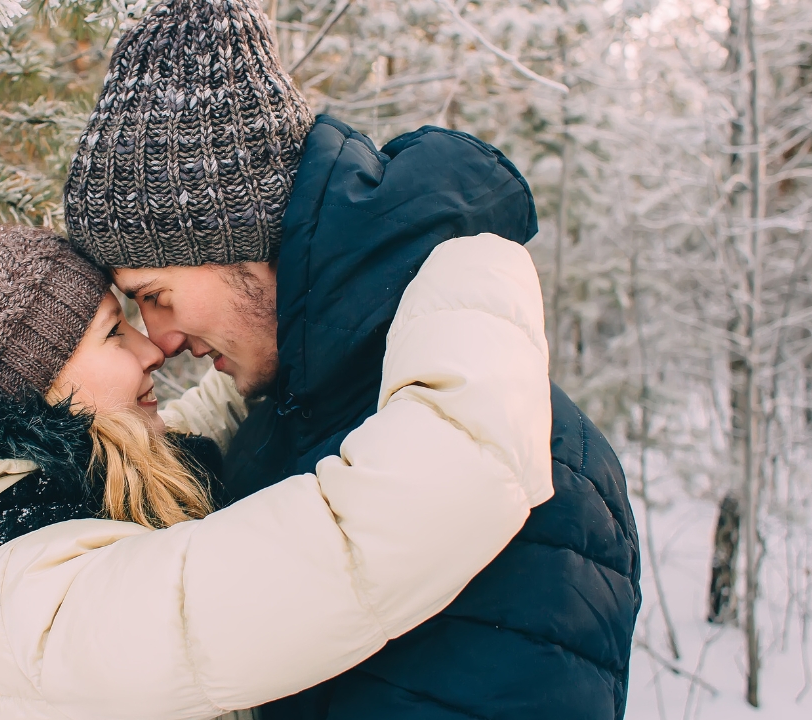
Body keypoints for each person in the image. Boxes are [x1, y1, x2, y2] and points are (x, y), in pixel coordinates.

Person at [62, 1, 641, 718]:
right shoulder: (288, 415)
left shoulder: (514, 455)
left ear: (240, 239)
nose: (163, 340)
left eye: (156, 295)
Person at [0, 223, 553, 719]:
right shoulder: (39, 608)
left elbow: (196, 429)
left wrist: (258, 341)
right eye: (113, 332)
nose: (151, 350)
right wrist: (474, 269)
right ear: (25, 395)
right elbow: (391, 523)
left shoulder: (13, 527)